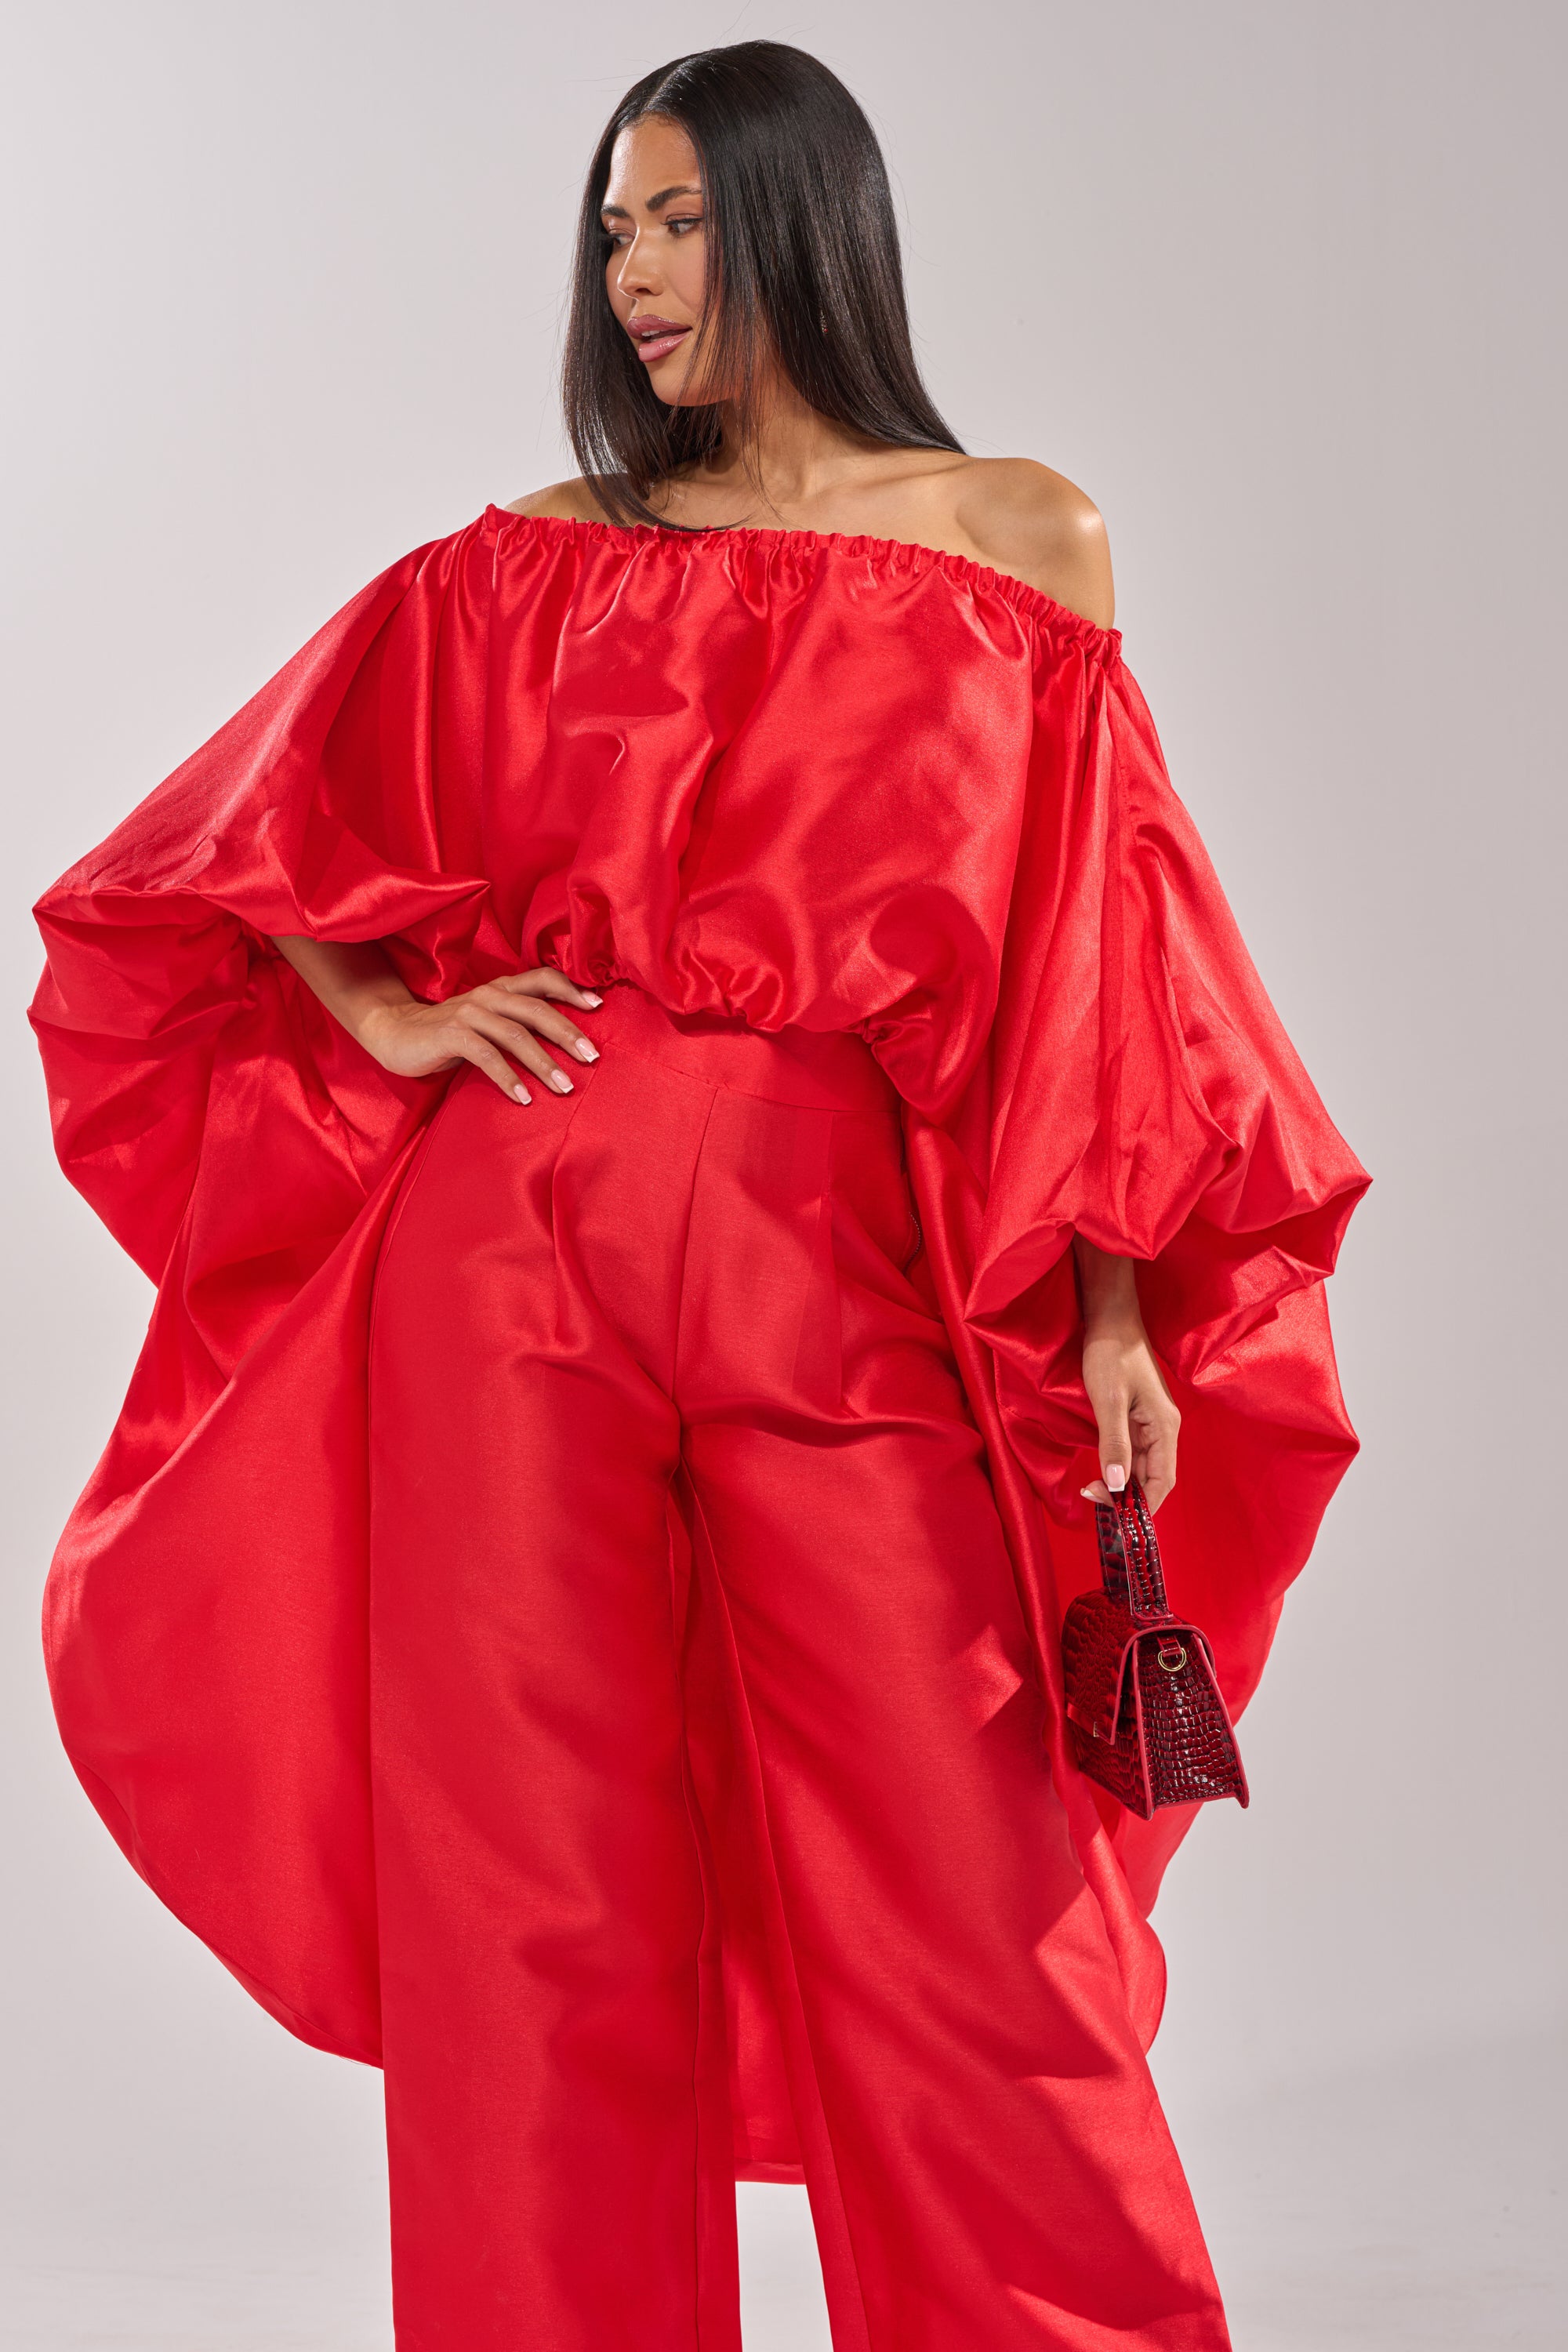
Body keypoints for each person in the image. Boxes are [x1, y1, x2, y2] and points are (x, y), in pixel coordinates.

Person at [29, 40, 1368, 2352]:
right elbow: (213, 865)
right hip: (503, 1264)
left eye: (676, 220)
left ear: (800, 219)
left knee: (974, 1905)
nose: (633, 274)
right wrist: (380, 1015)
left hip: (834, 1258)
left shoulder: (1013, 538)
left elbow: (1102, 946)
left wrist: (1127, 1312)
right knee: (529, 1922)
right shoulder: (526, 563)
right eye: (612, 228)